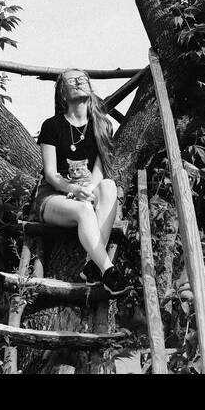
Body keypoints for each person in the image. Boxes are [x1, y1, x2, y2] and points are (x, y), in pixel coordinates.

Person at [29, 68, 129, 296]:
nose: (79, 82)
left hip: (86, 193)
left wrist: (88, 189)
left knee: (109, 186)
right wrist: (72, 188)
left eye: (82, 79)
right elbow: (51, 174)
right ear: (62, 94)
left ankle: (94, 267)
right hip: (54, 198)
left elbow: (99, 172)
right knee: (84, 209)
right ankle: (109, 271)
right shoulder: (51, 126)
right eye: (72, 80)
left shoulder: (103, 126)